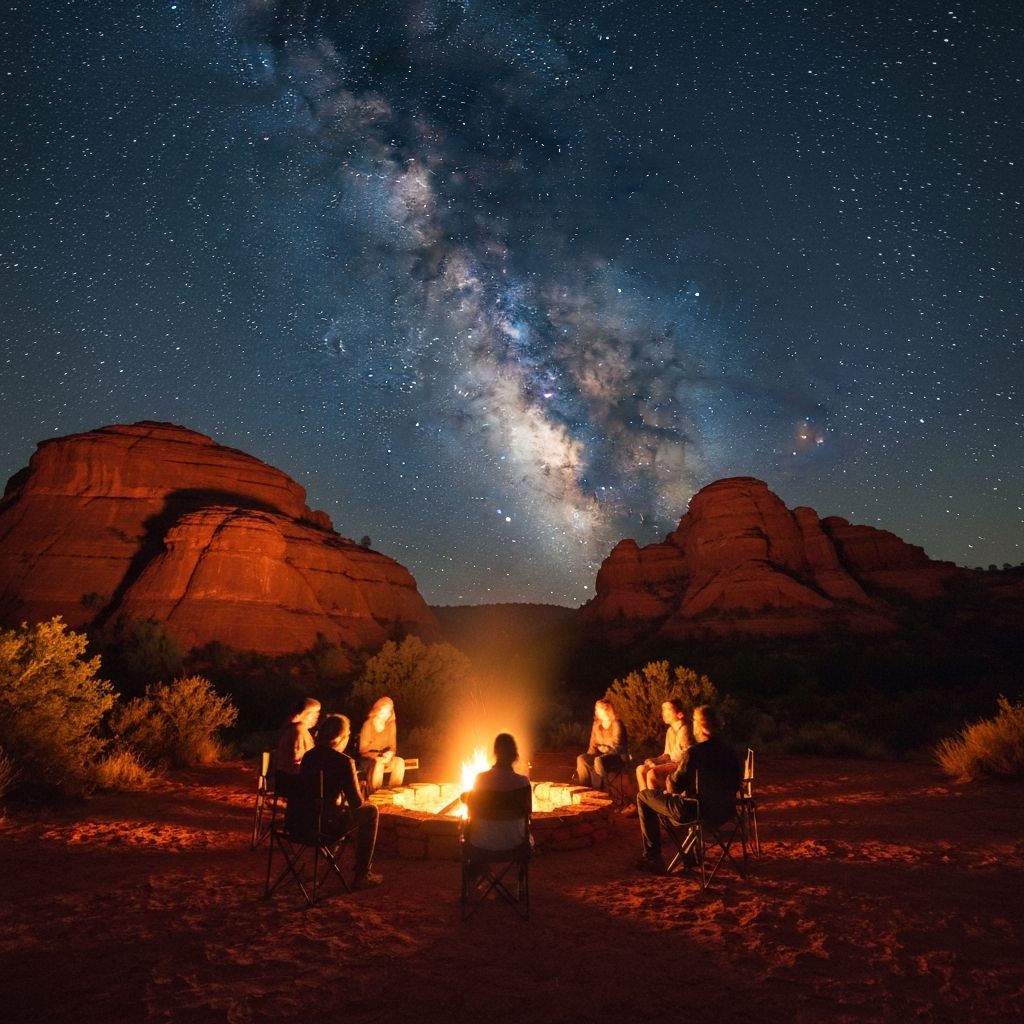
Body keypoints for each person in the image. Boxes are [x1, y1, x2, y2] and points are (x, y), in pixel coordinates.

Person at [634, 704, 741, 874]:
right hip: (725, 811)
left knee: (644, 797)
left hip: (697, 812)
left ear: (698, 726)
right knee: (689, 799)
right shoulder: (731, 752)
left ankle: (653, 857)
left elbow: (675, 785)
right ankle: (690, 856)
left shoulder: (695, 753)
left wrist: (668, 780)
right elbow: (736, 784)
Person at [298, 714, 383, 889]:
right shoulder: (344, 762)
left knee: (331, 811)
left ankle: (311, 864)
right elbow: (356, 804)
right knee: (370, 811)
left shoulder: (308, 757)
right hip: (324, 827)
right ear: (341, 738)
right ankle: (362, 874)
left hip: (298, 824)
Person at [463, 733, 533, 851]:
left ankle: (483, 869)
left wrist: (465, 797)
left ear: (495, 753)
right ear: (515, 756)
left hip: (480, 842)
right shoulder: (523, 783)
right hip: (515, 841)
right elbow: (528, 813)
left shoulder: (480, 779)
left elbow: (471, 809)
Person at [623, 699, 692, 816]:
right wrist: (654, 760)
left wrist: (658, 764)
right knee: (640, 769)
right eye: (663, 709)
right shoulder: (670, 731)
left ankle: (657, 810)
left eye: (668, 709)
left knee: (652, 773)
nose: (664, 713)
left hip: (681, 766)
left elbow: (682, 756)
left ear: (680, 714)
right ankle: (645, 806)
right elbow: (667, 754)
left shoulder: (685, 729)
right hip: (671, 763)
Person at [576, 699, 628, 790]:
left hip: (616, 758)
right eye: (598, 709)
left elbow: (619, 747)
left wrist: (606, 751)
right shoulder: (597, 725)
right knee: (582, 759)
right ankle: (585, 789)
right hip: (599, 756)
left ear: (608, 710)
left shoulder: (616, 724)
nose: (598, 711)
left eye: (600, 709)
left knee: (598, 761)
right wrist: (588, 758)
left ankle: (601, 789)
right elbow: (593, 746)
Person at [358, 696, 406, 795]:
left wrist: (390, 754)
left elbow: (393, 746)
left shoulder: (391, 725)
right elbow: (362, 750)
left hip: (385, 758)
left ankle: (393, 793)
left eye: (388, 712)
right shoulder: (368, 725)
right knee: (378, 763)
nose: (385, 715)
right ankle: (376, 794)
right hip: (369, 760)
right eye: (383, 712)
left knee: (399, 762)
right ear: (377, 711)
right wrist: (377, 755)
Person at [274, 697, 320, 796]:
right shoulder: (299, 731)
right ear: (305, 714)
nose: (317, 716)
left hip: (285, 778)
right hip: (291, 780)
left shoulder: (294, 728)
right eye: (314, 713)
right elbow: (299, 759)